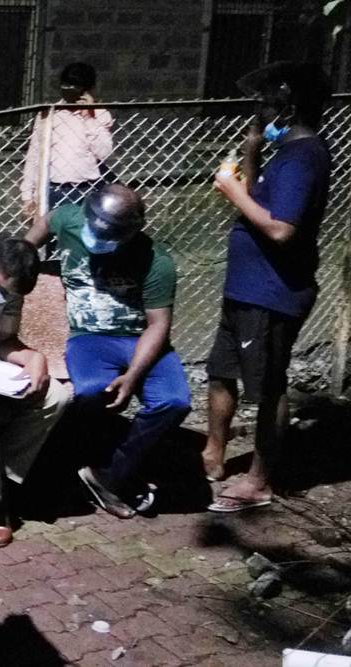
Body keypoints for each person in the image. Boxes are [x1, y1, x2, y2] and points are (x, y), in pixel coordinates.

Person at [203, 62, 332, 512]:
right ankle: (212, 456)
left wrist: (231, 191)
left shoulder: (303, 156)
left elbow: (281, 228)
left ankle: (259, 481)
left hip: (271, 292)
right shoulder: (286, 152)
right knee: (221, 371)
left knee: (268, 386)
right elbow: (262, 196)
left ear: (288, 106)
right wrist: (251, 153)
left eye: (265, 104)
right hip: (247, 287)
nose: (259, 111)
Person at [26, 184, 191, 519]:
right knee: (90, 392)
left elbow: (158, 325)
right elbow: (47, 221)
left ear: (132, 232)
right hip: (90, 337)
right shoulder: (71, 219)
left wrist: (132, 377)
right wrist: (25, 253)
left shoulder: (156, 262)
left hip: (139, 338)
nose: (98, 240)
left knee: (173, 402)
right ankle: (69, 462)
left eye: (109, 236)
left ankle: (110, 473)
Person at [0, 238, 72, 547]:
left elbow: (2, 341)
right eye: (3, 291)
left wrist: (34, 357)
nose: (6, 299)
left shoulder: (9, 288)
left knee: (56, 396)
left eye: (13, 296)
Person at [20, 62, 115, 218]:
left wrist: (88, 117)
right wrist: (27, 194)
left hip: (86, 188)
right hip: (53, 189)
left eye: (75, 87)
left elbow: (104, 152)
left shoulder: (100, 114)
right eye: (65, 86)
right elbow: (34, 155)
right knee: (53, 230)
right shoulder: (49, 114)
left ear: (87, 90)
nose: (69, 91)